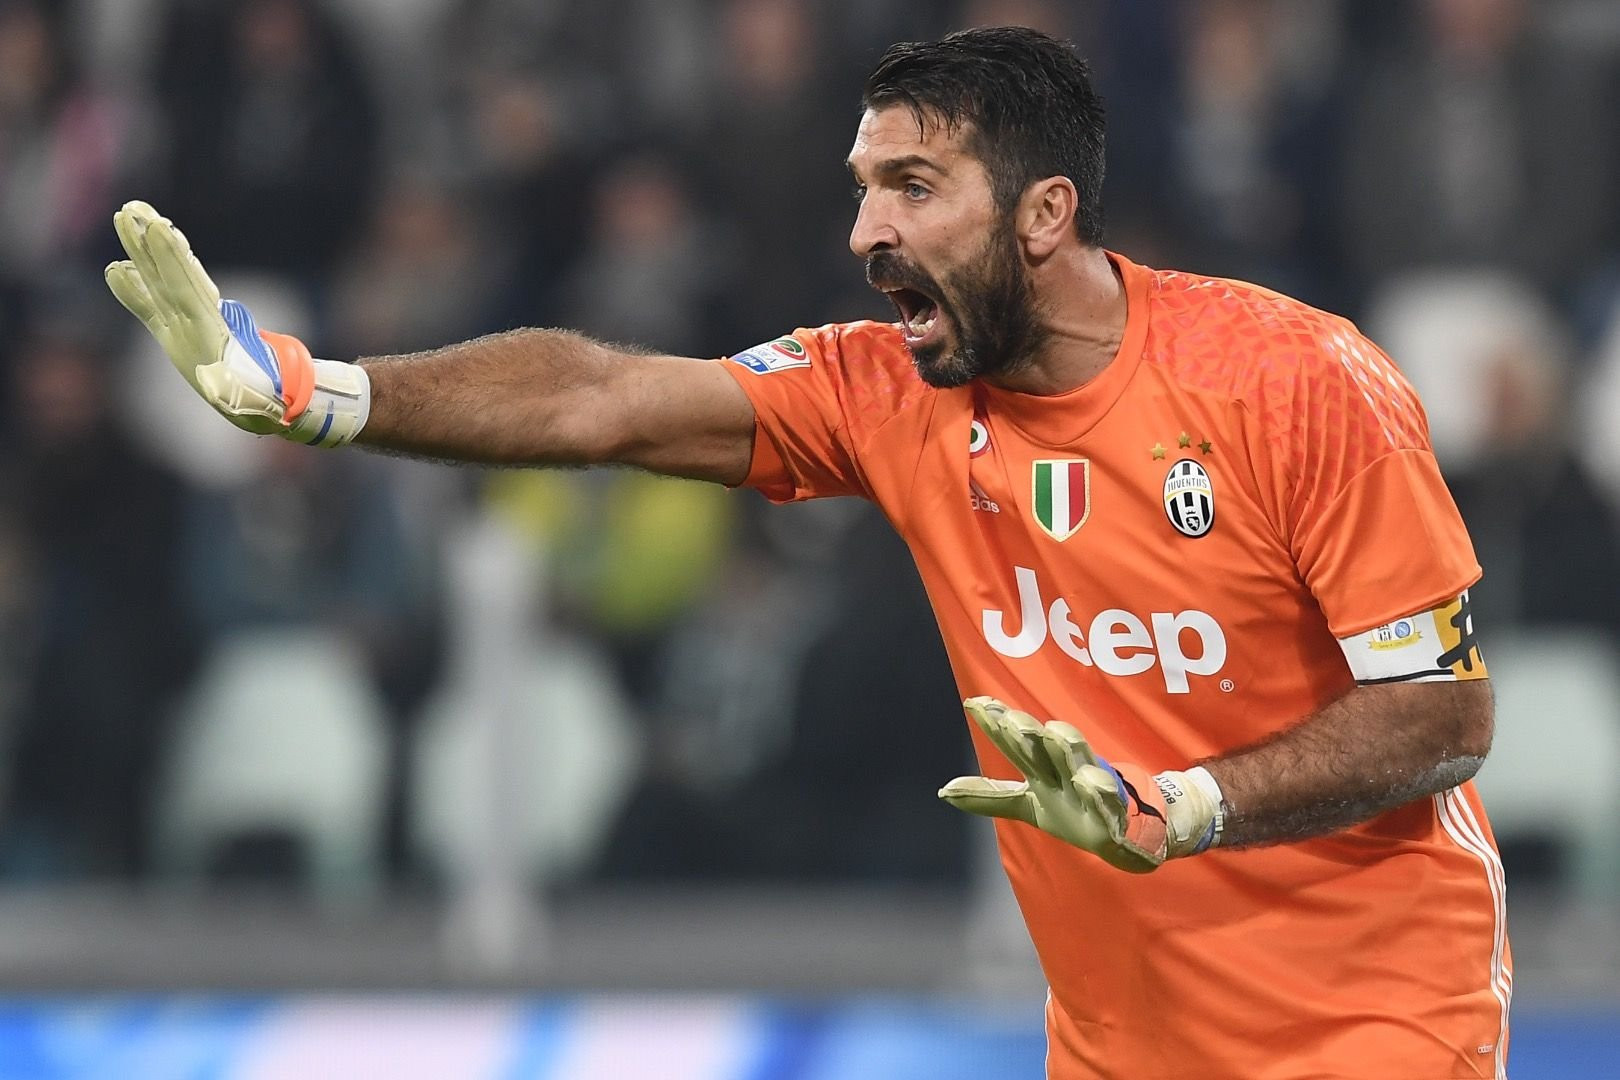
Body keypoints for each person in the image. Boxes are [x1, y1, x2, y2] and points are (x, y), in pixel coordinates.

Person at [104, 26, 1506, 1079]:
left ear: (1045, 214)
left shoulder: (1294, 382)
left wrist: (1185, 806)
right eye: (863, 187)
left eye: (914, 187)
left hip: (1375, 1024)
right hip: (1116, 1040)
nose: (866, 232)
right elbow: (602, 397)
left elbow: (1441, 713)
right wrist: (319, 393)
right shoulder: (884, 388)